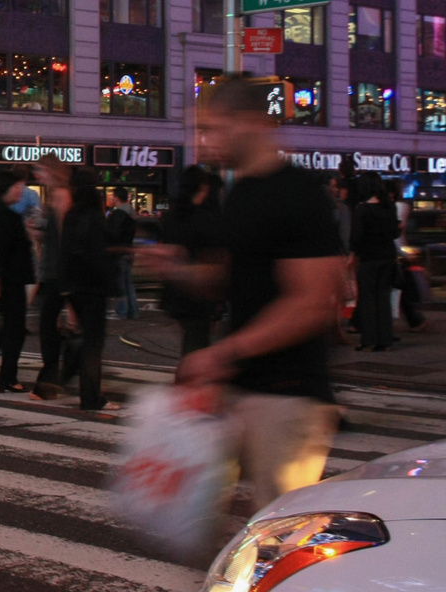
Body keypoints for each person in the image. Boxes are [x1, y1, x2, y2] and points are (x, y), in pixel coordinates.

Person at [145, 75, 345, 508]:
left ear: (251, 122)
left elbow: (311, 303)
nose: (204, 140)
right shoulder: (240, 194)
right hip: (240, 388)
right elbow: (229, 278)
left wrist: (223, 353)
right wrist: (178, 270)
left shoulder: (298, 193)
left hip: (289, 395)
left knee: (278, 533)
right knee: (191, 515)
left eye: (212, 128)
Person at [52, 169, 116, 412]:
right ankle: (91, 396)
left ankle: (76, 383)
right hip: (94, 286)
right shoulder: (95, 216)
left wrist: (66, 288)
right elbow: (100, 251)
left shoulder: (71, 215)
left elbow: (65, 252)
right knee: (93, 344)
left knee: (86, 340)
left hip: (75, 286)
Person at [157, 166, 225, 356]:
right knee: (195, 348)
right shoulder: (206, 220)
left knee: (190, 345)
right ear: (202, 188)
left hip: (175, 293)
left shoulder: (172, 218)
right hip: (197, 295)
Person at [0, 168, 35, 393]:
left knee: (12, 327)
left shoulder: (1, 212)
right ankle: (8, 378)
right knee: (15, 328)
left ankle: (6, 375)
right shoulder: (4, 215)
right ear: (6, 190)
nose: (20, 190)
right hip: (10, 279)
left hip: (9, 277)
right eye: (16, 187)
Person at [29, 156, 72, 401]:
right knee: (51, 328)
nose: (38, 176)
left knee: (51, 328)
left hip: (59, 272)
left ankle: (49, 382)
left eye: (40, 171)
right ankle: (54, 380)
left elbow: (66, 237)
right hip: (50, 271)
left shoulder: (62, 195)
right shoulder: (52, 197)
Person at [349, 171, 398, 352]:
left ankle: (368, 338)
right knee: (383, 298)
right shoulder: (389, 207)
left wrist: (353, 255)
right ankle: (384, 339)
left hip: (368, 258)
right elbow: (394, 232)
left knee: (368, 299)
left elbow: (356, 238)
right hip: (387, 256)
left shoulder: (362, 209)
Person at [104, 187, 139, 320]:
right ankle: (133, 311)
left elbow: (114, 234)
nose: (111, 199)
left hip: (119, 251)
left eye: (112, 196)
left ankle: (122, 311)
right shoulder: (130, 213)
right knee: (128, 283)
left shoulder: (118, 214)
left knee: (120, 284)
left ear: (117, 198)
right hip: (128, 249)